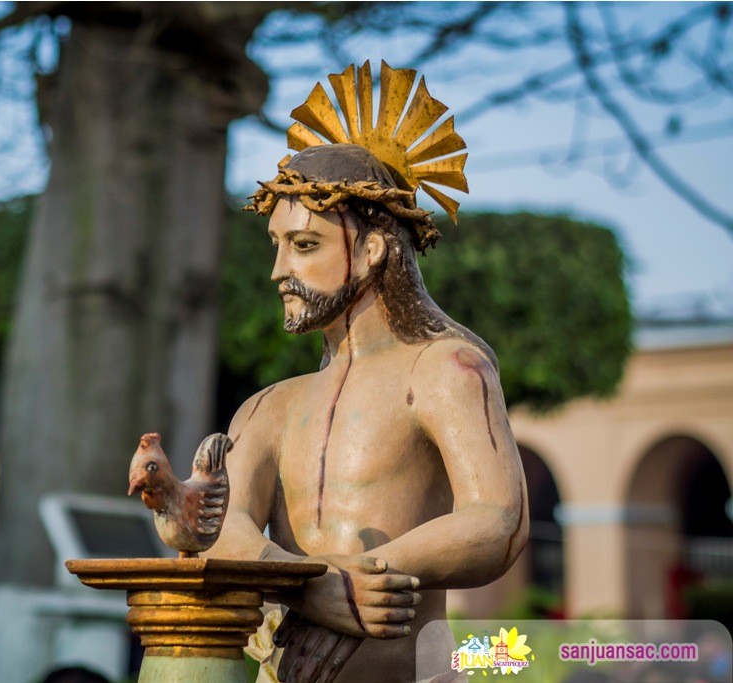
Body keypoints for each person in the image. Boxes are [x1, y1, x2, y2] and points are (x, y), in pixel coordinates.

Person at [205, 62, 529, 683]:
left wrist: (358, 576)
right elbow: (226, 533)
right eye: (276, 244)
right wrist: (316, 589)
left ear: (374, 250)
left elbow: (498, 523)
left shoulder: (445, 369)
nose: (278, 270)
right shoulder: (267, 407)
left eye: (304, 245)